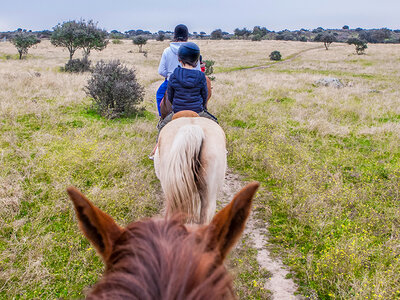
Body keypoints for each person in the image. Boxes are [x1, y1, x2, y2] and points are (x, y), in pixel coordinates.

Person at [155, 24, 201, 116]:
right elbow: (198, 70)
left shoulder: (167, 51)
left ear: (174, 36)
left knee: (159, 95)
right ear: (187, 36)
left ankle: (162, 118)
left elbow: (161, 71)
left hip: (170, 82)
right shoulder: (193, 50)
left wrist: (169, 75)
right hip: (191, 83)